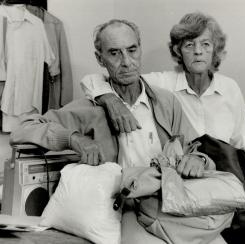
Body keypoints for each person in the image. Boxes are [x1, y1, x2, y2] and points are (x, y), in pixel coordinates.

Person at [80, 12, 245, 244]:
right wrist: (108, 98)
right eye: (189, 44)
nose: (198, 51)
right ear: (177, 51)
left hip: (224, 180)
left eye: (205, 44)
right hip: (184, 186)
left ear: (215, 50)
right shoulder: (162, 83)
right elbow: (113, 76)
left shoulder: (229, 88)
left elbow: (242, 135)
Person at [10, 19, 231, 244]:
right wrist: (73, 139)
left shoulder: (166, 102)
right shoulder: (90, 108)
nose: (126, 62)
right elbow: (23, 129)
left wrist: (197, 159)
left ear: (140, 49)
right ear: (100, 59)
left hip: (171, 201)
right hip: (127, 209)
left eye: (132, 50)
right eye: (114, 53)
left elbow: (197, 147)